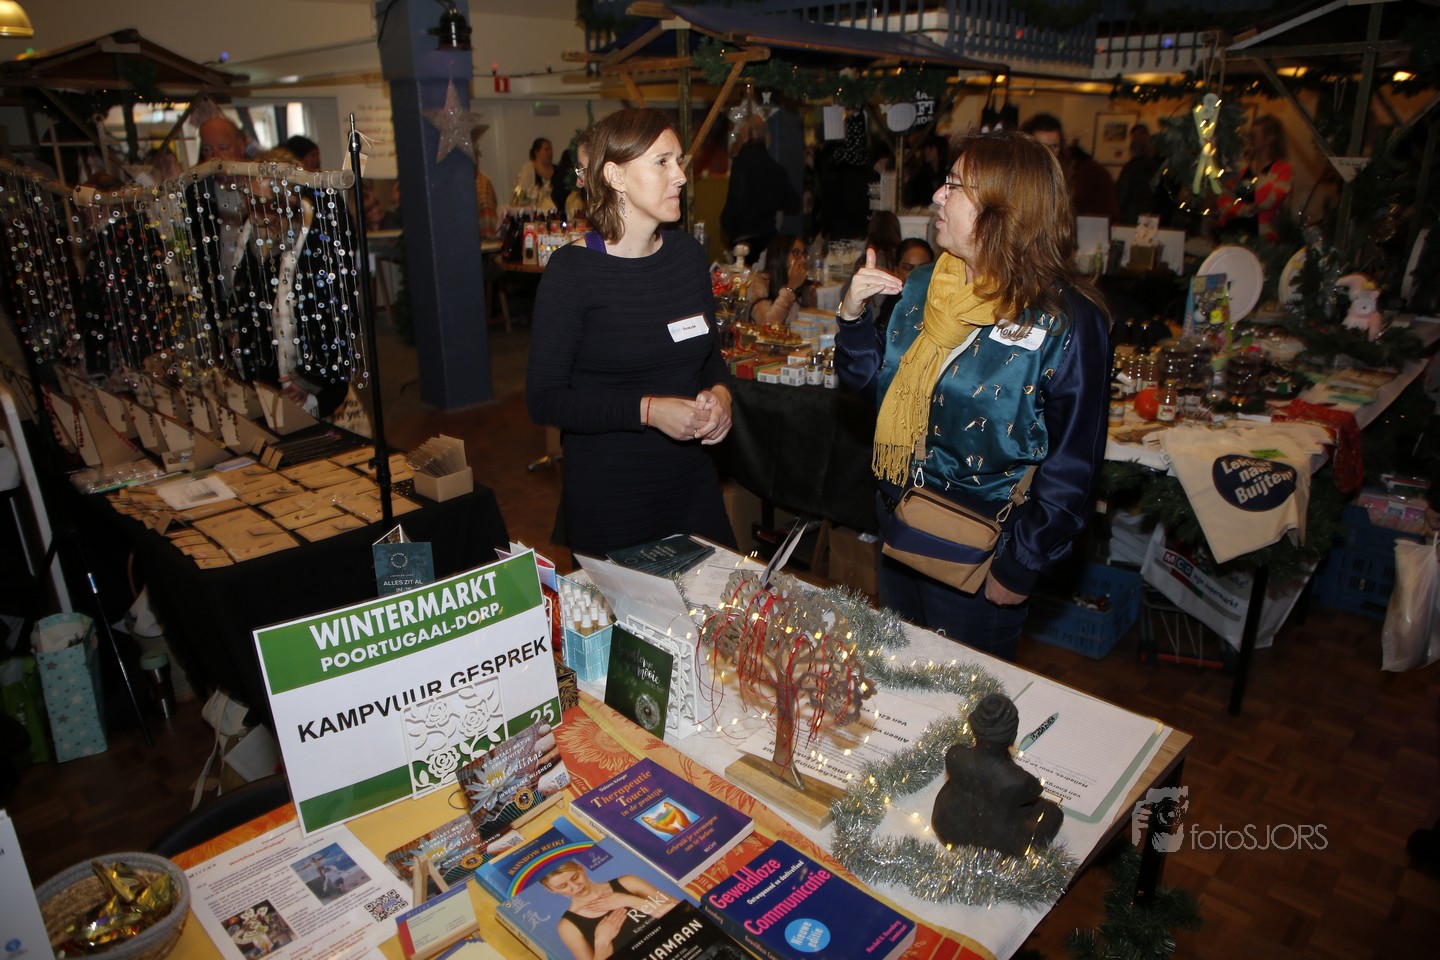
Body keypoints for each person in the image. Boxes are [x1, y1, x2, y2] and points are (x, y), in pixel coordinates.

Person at [834, 128, 1111, 660]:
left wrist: (1021, 564)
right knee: (895, 679)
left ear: (1004, 210)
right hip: (901, 520)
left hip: (983, 550)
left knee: (965, 701)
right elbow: (879, 389)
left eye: (955, 185)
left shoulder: (1065, 321)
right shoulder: (925, 285)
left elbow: (1074, 465)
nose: (937, 195)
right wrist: (852, 317)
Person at [526, 108, 736, 557]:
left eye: (678, 161)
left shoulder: (687, 256)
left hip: (692, 485)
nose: (680, 176)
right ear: (615, 176)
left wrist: (721, 397)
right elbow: (545, 399)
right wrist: (648, 411)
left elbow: (710, 358)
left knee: (724, 601)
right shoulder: (573, 273)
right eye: (662, 162)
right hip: (612, 497)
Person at [537, 860, 679, 960]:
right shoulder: (568, 926)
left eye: (575, 877)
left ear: (581, 869)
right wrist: (602, 941)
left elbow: (683, 910)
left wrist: (630, 900)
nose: (575, 887)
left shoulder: (628, 882)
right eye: (563, 886)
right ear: (551, 889)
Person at [720, 114, 800, 263]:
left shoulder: (740, 164)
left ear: (745, 136)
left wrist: (728, 227)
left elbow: (734, 205)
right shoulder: (776, 168)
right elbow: (793, 204)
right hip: (768, 239)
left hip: (743, 241)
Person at [1020, 113, 1120, 222]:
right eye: (1043, 146)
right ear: (1028, 147)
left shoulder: (1066, 176)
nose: (1050, 152)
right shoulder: (1018, 178)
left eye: (1054, 146)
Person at [1216, 114, 1292, 244]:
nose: (1249, 140)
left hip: (1263, 241)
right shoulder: (1242, 168)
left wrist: (1239, 208)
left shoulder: (1283, 170)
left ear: (1269, 139)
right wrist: (1246, 209)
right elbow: (1224, 200)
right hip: (1232, 236)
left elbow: (1268, 199)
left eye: (1254, 136)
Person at [747, 233, 815, 327]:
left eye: (804, 254)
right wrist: (790, 288)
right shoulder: (759, 282)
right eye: (796, 253)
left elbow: (810, 325)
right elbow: (767, 324)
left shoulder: (807, 286)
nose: (803, 259)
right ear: (780, 255)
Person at [1114, 123, 1162, 225]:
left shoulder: (1131, 167)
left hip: (1131, 218)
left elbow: (1121, 195)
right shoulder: (1157, 166)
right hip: (1151, 218)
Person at [513, 137, 558, 213]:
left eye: (551, 150)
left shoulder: (557, 169)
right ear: (537, 152)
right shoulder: (529, 170)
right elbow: (523, 195)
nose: (550, 153)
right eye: (546, 150)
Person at [903, 134, 948, 208]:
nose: (926, 151)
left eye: (931, 149)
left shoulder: (948, 174)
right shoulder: (920, 175)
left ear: (941, 150)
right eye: (926, 148)